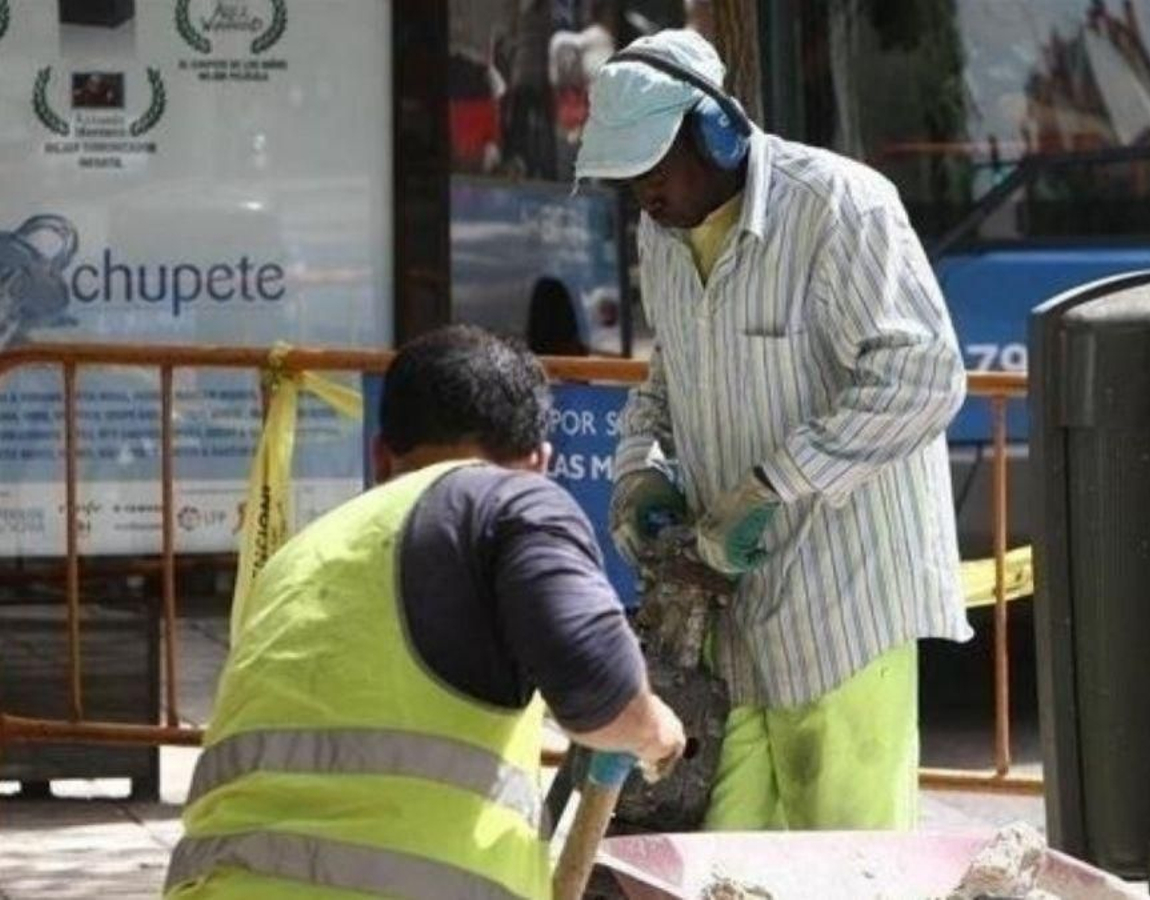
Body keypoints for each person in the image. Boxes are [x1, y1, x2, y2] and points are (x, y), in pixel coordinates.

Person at [576, 29, 972, 832]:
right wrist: (641, 471)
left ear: (715, 132)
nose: (641, 194)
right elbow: (667, 381)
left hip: (847, 604)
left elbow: (926, 376)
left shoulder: (839, 208)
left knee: (846, 864)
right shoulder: (661, 237)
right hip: (734, 623)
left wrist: (773, 485)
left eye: (652, 166)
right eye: (626, 178)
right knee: (725, 862)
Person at [164, 325, 685, 899]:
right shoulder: (510, 500)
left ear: (381, 455)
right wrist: (654, 730)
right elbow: (600, 695)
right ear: (539, 461)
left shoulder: (299, 558)